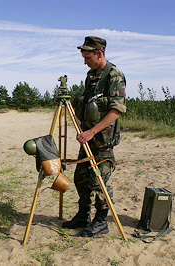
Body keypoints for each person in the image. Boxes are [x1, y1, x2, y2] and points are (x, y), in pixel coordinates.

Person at [62, 36, 126, 237]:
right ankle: (83, 215)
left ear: (100, 53)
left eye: (88, 57)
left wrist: (92, 131)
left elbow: (116, 110)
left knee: (100, 183)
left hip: (101, 140)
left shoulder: (114, 75)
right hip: (87, 138)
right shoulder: (90, 76)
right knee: (81, 178)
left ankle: (101, 221)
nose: (85, 62)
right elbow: (89, 103)